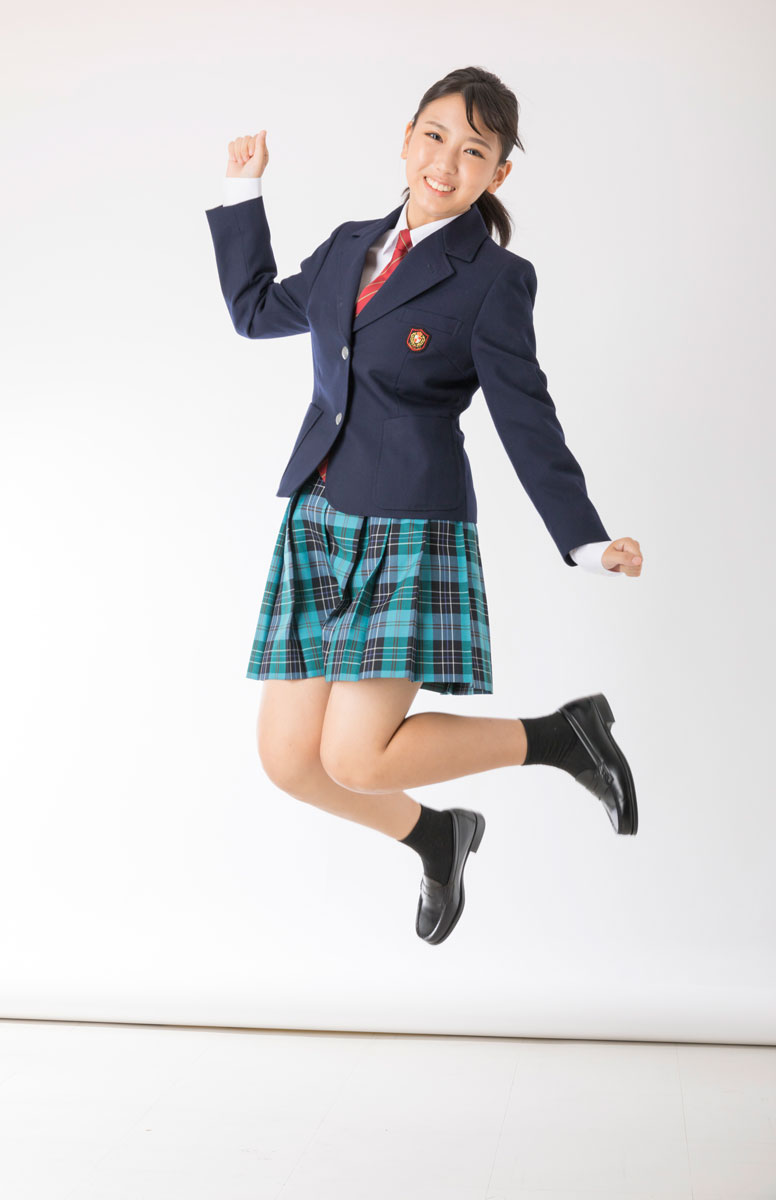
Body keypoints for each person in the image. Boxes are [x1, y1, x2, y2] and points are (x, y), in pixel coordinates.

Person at [205, 66, 644, 947]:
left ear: (498, 174)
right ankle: (437, 836)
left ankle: (561, 737)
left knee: (354, 755)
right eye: (435, 136)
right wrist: (244, 191)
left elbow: (526, 417)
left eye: (474, 151)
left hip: (410, 527)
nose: (446, 161)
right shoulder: (348, 246)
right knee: (289, 760)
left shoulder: (494, 279)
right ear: (406, 138)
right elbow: (253, 312)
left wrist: (585, 541)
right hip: (318, 518)